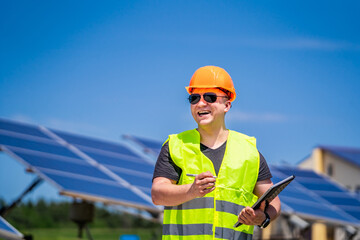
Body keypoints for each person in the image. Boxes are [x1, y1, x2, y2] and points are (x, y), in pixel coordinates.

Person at [151, 66, 281, 240]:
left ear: (227, 105)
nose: (201, 103)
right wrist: (190, 191)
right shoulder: (176, 146)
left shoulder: (249, 151)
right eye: (194, 98)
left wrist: (261, 218)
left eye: (210, 97)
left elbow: (274, 202)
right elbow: (158, 194)